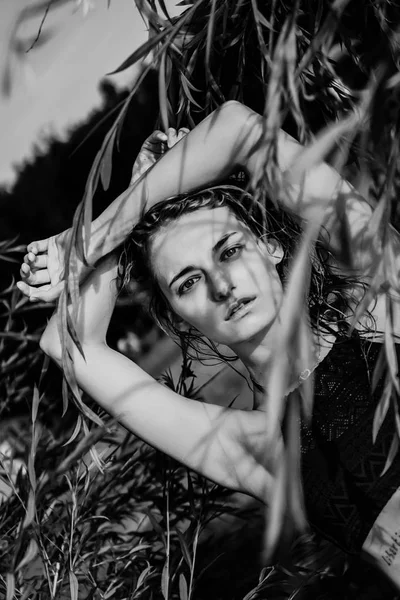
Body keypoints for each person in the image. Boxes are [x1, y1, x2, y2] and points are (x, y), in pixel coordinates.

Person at [17, 101, 400, 588]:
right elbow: (69, 344)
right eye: (188, 283)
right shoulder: (257, 451)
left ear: (271, 245)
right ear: (177, 314)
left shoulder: (387, 307)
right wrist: (139, 206)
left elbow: (237, 130)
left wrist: (91, 238)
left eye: (230, 250)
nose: (221, 285)